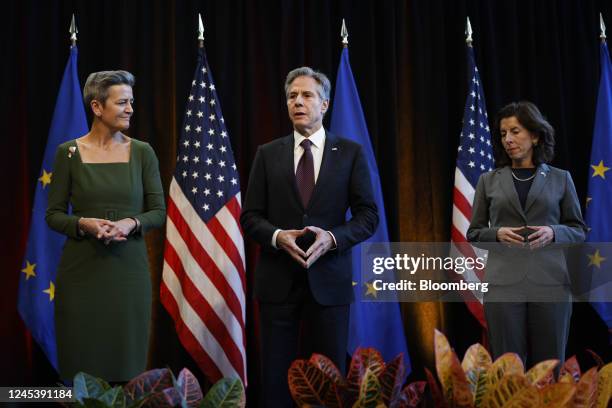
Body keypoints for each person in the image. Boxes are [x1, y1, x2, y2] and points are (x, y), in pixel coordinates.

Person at [241, 66, 378, 406]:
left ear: (325, 105)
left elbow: (368, 216)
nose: (298, 101)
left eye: (306, 95)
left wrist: (332, 238)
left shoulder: (349, 153)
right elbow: (250, 216)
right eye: (292, 96)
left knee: (328, 380)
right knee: (275, 379)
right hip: (277, 282)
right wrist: (276, 237)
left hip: (329, 282)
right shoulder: (267, 153)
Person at [46, 70, 166, 382]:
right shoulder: (68, 153)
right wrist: (82, 223)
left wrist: (131, 222)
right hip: (81, 276)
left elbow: (158, 212)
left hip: (128, 276)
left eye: (131, 102)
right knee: (80, 376)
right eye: (122, 102)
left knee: (127, 372)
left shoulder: (142, 152)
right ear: (97, 107)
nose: (130, 109)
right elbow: (54, 215)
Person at [467, 101, 585, 368]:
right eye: (503, 133)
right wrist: (496, 235)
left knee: (549, 369)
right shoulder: (488, 180)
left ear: (535, 135)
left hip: (551, 284)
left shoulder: (561, 178)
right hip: (503, 286)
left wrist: (553, 233)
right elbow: (473, 233)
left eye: (515, 131)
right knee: (508, 371)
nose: (508, 139)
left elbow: (578, 230)